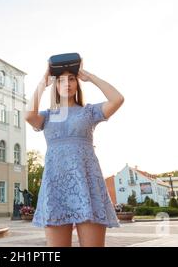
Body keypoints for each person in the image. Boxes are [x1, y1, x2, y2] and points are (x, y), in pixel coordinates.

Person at [25, 59, 124, 247]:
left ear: (77, 83)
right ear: (55, 86)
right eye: (61, 81)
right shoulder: (47, 116)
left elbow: (117, 99)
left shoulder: (89, 112)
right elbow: (29, 115)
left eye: (71, 79)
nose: (67, 84)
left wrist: (90, 77)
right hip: (56, 186)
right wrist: (43, 82)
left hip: (87, 185)